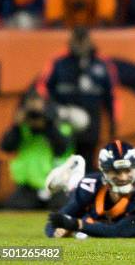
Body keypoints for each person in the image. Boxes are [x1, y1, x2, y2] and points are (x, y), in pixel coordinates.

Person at [37, 27, 119, 170]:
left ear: (90, 41)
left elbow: (112, 95)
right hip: (63, 121)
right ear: (71, 42)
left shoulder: (102, 64)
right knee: (62, 162)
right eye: (77, 41)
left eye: (83, 41)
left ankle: (83, 190)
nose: (80, 45)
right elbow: (42, 88)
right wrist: (53, 110)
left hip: (91, 123)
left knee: (86, 162)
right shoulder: (59, 62)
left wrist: (113, 123)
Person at [0, 89, 74, 209]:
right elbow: (5, 147)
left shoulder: (60, 126)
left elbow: (62, 149)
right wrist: (16, 126)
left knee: (63, 209)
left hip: (56, 185)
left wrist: (48, 126)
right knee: (13, 208)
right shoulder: (22, 128)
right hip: (28, 186)